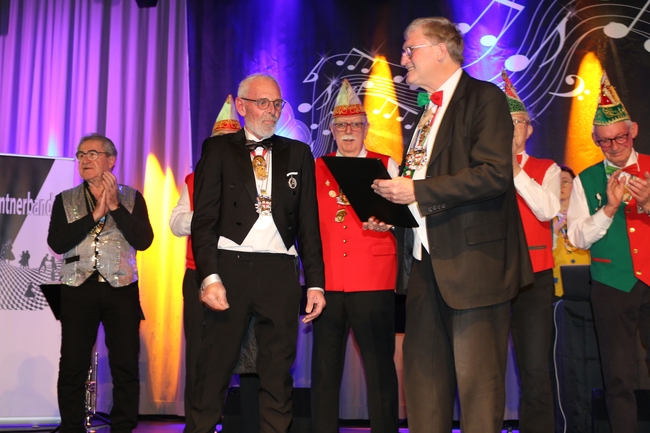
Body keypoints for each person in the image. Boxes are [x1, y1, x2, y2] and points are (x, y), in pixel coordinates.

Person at [366, 17, 532, 433]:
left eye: (410, 48)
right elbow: (424, 182)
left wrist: (416, 191)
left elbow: (494, 174)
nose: (404, 57)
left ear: (441, 50)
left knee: (479, 389)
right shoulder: (427, 110)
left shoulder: (484, 97)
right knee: (423, 387)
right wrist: (394, 215)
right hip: (425, 266)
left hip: (475, 265)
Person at [186, 73, 326, 433]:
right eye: (263, 103)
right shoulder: (217, 149)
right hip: (231, 269)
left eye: (277, 104)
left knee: (277, 372)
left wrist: (315, 284)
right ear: (242, 105)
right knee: (214, 369)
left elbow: (309, 224)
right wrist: (210, 277)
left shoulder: (299, 153)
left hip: (280, 270)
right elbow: (204, 221)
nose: (272, 111)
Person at [47, 133, 153, 433]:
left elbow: (144, 240)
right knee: (73, 365)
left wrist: (115, 207)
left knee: (125, 365)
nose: (85, 160)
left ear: (111, 160)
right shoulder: (64, 199)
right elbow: (57, 242)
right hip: (78, 289)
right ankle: (71, 428)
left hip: (122, 289)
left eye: (92, 153)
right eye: (81, 155)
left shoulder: (132, 197)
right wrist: (95, 214)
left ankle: (123, 427)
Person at [311, 79, 399, 433]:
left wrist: (389, 222)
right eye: (341, 125)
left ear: (366, 127)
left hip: (374, 280)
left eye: (355, 125)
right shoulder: (316, 167)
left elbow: (405, 215)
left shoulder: (386, 164)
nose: (348, 131)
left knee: (379, 369)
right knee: (324, 370)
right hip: (328, 283)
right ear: (332, 130)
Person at [567, 73, 650, 433]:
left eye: (620, 138)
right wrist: (609, 209)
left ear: (633, 131)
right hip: (611, 284)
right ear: (594, 140)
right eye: (605, 141)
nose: (614, 146)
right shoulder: (585, 180)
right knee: (618, 374)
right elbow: (577, 237)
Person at [503, 70, 560, 433]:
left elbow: (548, 210)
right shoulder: (479, 169)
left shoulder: (546, 168)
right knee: (485, 367)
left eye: (518, 122)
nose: (512, 129)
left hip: (535, 278)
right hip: (490, 275)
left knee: (535, 368)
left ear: (530, 129)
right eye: (505, 122)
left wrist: (514, 170)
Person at [552, 166, 590, 297]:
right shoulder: (544, 218)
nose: (560, 186)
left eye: (565, 181)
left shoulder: (587, 215)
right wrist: (556, 228)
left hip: (586, 279)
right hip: (555, 283)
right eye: (556, 182)